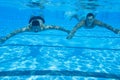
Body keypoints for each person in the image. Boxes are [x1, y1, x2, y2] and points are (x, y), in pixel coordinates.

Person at [0, 16, 70, 44]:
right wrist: (5, 38)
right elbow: (14, 32)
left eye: (37, 28)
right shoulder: (28, 28)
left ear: (40, 26)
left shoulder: (44, 27)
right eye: (34, 28)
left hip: (41, 18)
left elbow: (57, 27)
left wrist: (66, 31)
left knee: (41, 13)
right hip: (32, 19)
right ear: (31, 27)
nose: (36, 30)